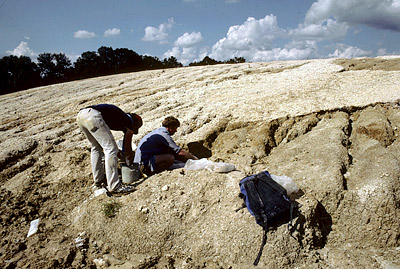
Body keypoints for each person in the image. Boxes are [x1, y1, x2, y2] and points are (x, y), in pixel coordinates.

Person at [77, 104, 143, 194]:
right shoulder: (130, 123)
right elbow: (127, 147)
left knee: (96, 147)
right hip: (93, 116)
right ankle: (115, 186)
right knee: (111, 149)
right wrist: (128, 160)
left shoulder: (121, 116)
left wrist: (121, 153)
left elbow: (124, 146)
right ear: (135, 124)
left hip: (82, 115)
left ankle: (98, 181)